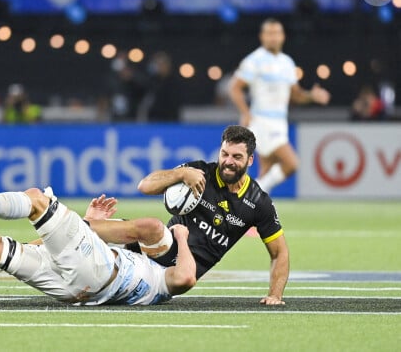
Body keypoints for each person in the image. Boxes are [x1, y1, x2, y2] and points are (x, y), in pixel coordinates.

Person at [0, 156, 196, 307]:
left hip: (97, 273)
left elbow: (154, 233)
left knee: (37, 199)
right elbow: (60, 247)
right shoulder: (155, 284)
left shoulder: (161, 272)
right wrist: (86, 229)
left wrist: (181, 237)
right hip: (77, 291)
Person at [91, 125, 290, 305]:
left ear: (250, 160)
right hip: (159, 247)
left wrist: (275, 295)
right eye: (224, 154)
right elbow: (145, 185)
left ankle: (88, 226)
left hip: (176, 271)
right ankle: (84, 226)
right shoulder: (201, 172)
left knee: (142, 235)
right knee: (98, 248)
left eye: (236, 157)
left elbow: (279, 252)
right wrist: (181, 174)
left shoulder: (258, 202)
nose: (228, 162)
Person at [228, 18, 330, 194]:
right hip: (262, 121)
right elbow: (234, 87)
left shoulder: (287, 63)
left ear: (283, 36)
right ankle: (253, 193)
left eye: (277, 33)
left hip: (280, 122)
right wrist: (245, 113)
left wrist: (311, 96)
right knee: (292, 163)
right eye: (269, 33)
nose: (273, 37)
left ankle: (251, 204)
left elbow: (296, 95)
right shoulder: (255, 60)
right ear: (262, 37)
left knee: (266, 170)